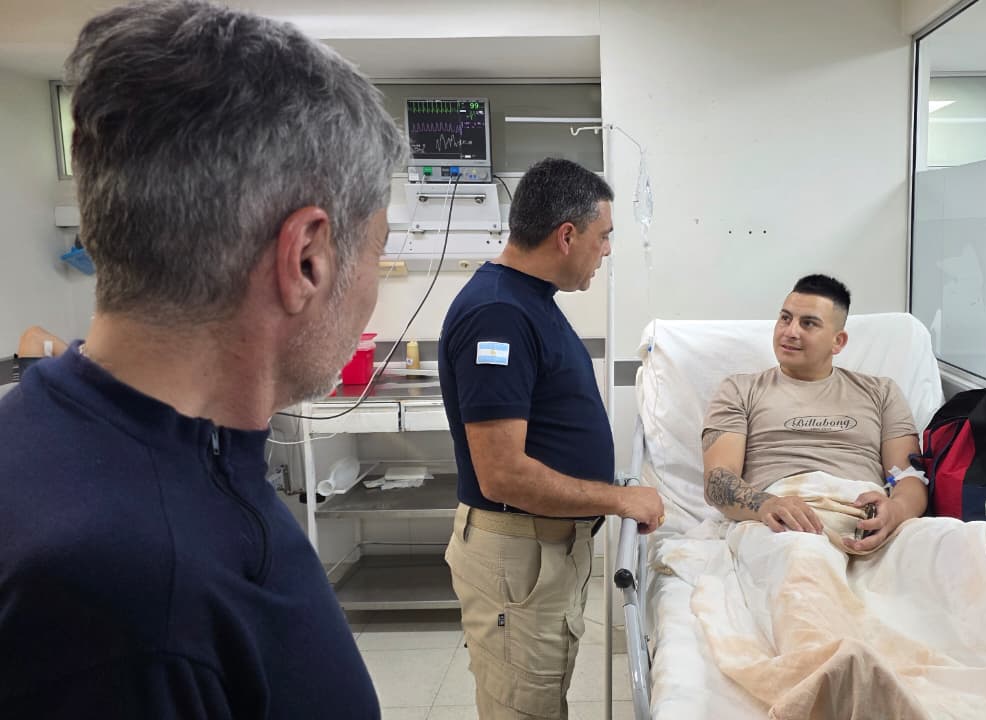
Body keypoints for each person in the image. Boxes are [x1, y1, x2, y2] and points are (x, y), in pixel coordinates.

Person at [0, 1, 406, 717]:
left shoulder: (152, 452)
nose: (372, 286)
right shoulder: (125, 599)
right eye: (377, 250)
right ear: (307, 259)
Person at [438, 157, 665, 719]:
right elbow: (502, 474)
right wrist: (618, 498)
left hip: (540, 551)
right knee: (524, 709)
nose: (606, 251)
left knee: (542, 701)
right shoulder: (498, 314)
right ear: (566, 235)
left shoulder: (528, 301)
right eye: (603, 236)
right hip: (518, 556)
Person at [701, 274, 928, 552]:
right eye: (785, 318)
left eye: (808, 323)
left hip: (867, 519)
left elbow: (908, 477)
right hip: (784, 520)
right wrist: (766, 505)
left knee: (973, 542)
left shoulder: (881, 392)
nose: (790, 331)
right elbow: (717, 480)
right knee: (805, 559)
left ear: (838, 341)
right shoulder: (740, 390)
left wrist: (897, 510)